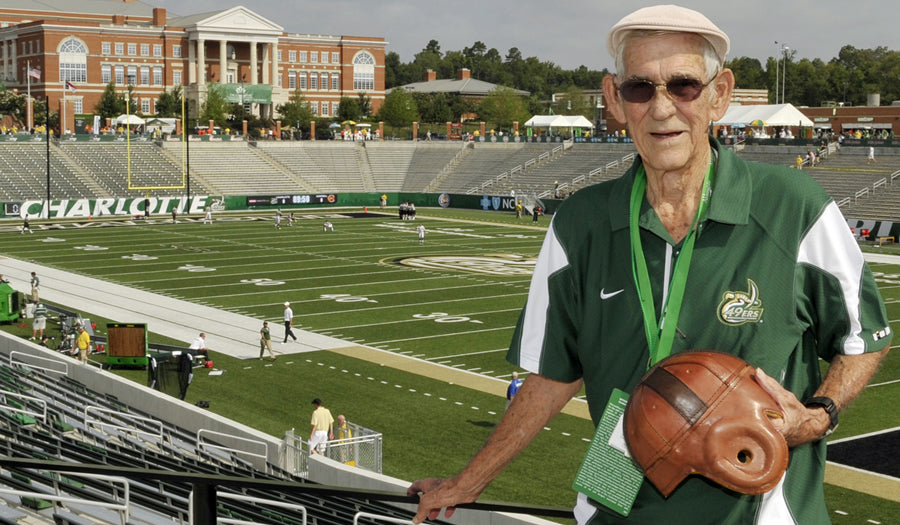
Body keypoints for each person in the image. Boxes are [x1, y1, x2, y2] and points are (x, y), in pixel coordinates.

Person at [408, 6, 892, 524]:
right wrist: (467, 481)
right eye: (640, 88)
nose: (661, 109)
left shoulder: (793, 206)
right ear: (614, 99)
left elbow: (864, 338)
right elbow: (551, 377)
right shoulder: (579, 224)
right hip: (615, 508)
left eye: (683, 86)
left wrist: (818, 416)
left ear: (719, 94)